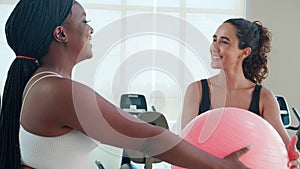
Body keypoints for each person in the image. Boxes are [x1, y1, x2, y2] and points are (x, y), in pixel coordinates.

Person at [0, 1, 252, 169]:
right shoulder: (56, 90)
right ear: (61, 34)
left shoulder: (45, 83)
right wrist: (223, 166)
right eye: (84, 21)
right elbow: (147, 139)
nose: (91, 29)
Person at [181, 18, 299, 168]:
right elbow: (184, 148)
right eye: (214, 39)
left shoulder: (263, 98)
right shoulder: (197, 91)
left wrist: (293, 158)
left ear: (244, 52)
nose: (213, 47)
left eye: (224, 42)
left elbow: (285, 150)